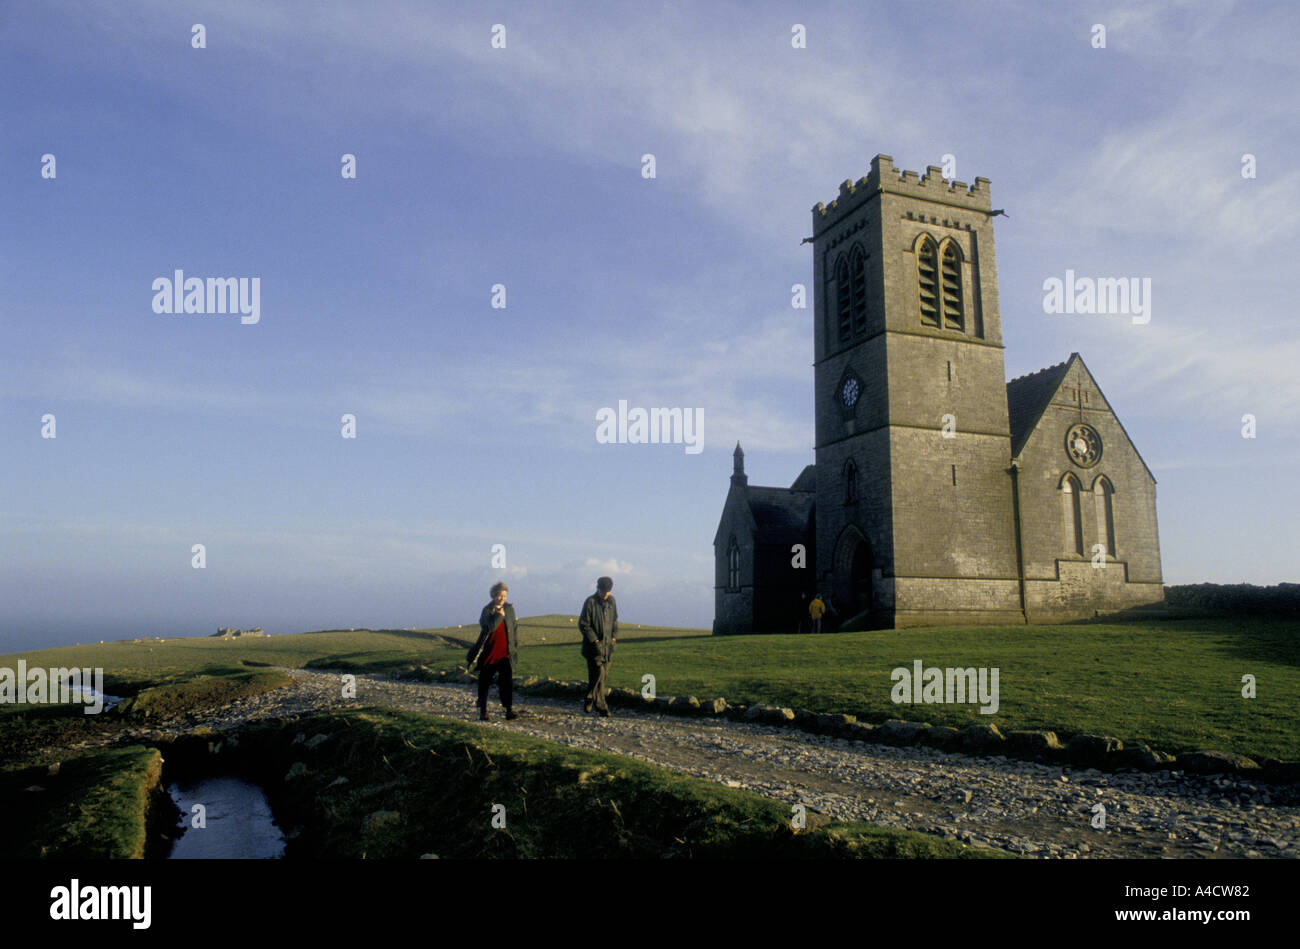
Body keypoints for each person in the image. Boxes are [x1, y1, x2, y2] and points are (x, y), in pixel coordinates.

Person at [467, 581, 519, 721]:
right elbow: (488, 628)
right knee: (484, 683)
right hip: (489, 653)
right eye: (499, 595)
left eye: (505, 595)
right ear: (493, 595)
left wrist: (514, 647)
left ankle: (509, 710)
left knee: (507, 682)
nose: (502, 598)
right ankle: (483, 711)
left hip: (505, 653)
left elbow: (514, 628)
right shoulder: (487, 610)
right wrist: (499, 616)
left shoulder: (509, 609)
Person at [578, 576, 618, 716]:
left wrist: (614, 637)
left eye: (608, 591)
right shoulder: (590, 602)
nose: (605, 594)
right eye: (603, 591)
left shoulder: (612, 601)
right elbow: (583, 624)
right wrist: (595, 641)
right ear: (598, 589)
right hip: (593, 648)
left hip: (608, 647)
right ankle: (601, 706)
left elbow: (615, 620)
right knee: (599, 673)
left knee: (603, 677)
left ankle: (590, 697)